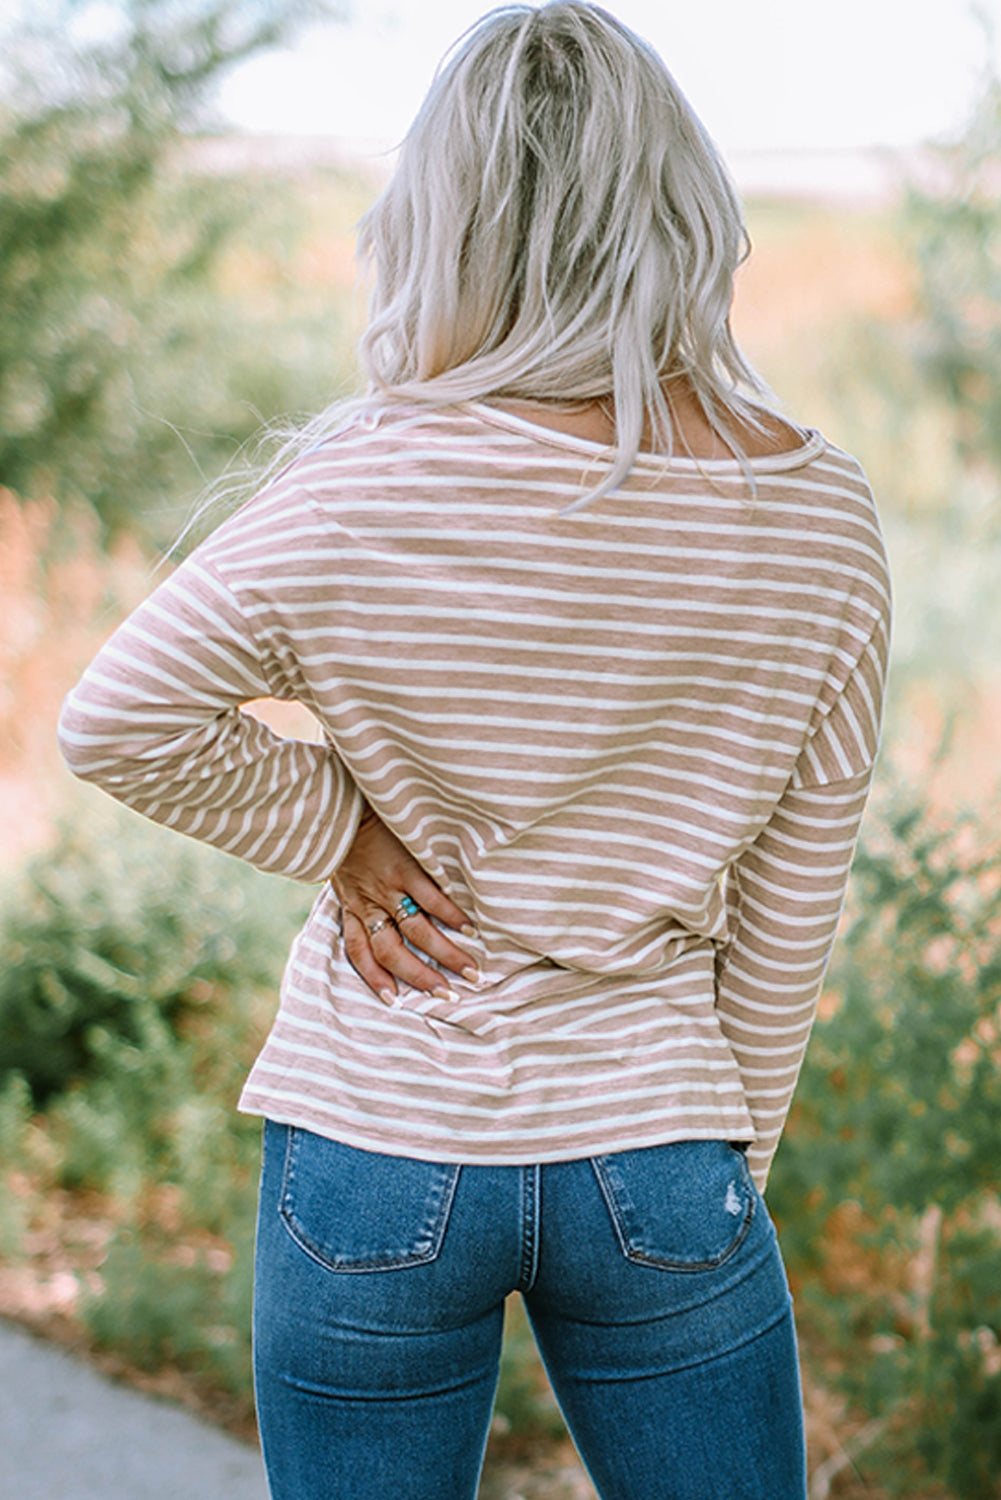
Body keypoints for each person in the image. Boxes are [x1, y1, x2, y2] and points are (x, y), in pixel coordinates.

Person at [58, 4, 890, 1497]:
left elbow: (118, 718)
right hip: (656, 1142)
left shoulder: (367, 483)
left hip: (371, 1142)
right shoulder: (820, 517)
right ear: (681, 213)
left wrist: (339, 835)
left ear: (444, 223)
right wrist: (719, 1162)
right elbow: (789, 903)